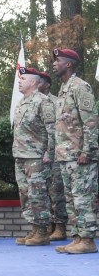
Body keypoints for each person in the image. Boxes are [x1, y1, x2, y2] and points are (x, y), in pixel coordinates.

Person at [51, 48, 99, 254]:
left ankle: (88, 240)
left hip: (80, 155)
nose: (54, 64)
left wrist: (87, 151)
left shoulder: (80, 87)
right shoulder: (64, 89)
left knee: (83, 198)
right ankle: (78, 237)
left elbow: (91, 123)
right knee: (71, 199)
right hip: (66, 154)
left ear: (68, 64)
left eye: (58, 60)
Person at [12, 67, 56, 246]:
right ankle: (34, 229)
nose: (19, 81)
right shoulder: (22, 102)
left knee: (38, 194)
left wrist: (49, 153)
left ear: (34, 82)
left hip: (37, 157)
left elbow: (52, 130)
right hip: (21, 156)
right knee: (25, 194)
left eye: (23, 79)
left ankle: (43, 231)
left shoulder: (43, 102)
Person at [38, 70, 68, 241]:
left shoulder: (56, 102)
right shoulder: (31, 103)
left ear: (47, 84)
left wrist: (51, 151)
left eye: (40, 82)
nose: (37, 85)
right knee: (43, 193)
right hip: (38, 155)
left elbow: (58, 130)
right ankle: (48, 225)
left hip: (55, 154)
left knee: (56, 192)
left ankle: (60, 227)